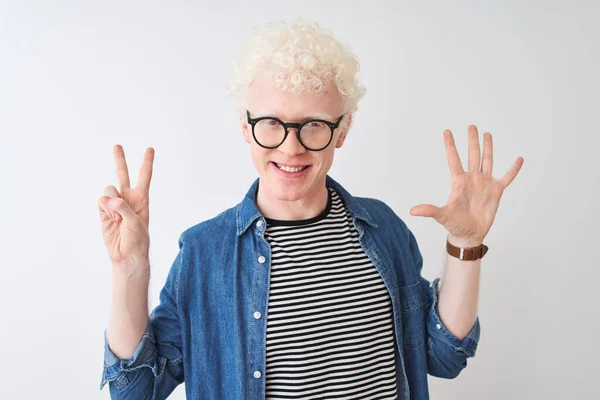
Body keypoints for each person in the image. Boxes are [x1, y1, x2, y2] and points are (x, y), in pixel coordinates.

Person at [97, 19, 523, 400]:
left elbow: (445, 357)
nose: (291, 147)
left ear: (343, 130)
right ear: (246, 127)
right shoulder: (205, 252)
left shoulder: (383, 230)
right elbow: (135, 390)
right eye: (271, 123)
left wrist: (464, 245)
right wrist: (129, 269)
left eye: (314, 124)